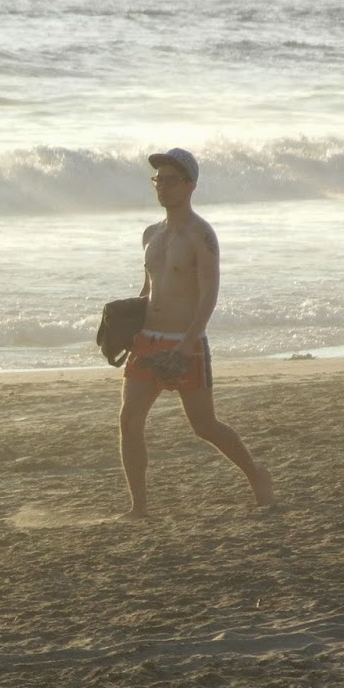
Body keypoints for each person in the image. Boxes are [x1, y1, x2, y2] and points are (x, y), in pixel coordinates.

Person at [118, 148, 274, 518]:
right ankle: (138, 506)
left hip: (184, 342)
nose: (162, 187)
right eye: (158, 180)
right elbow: (149, 289)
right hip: (148, 340)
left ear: (190, 185)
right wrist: (126, 327)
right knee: (129, 419)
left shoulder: (202, 235)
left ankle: (257, 476)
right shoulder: (150, 234)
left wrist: (188, 345)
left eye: (170, 180)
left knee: (204, 426)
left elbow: (209, 295)